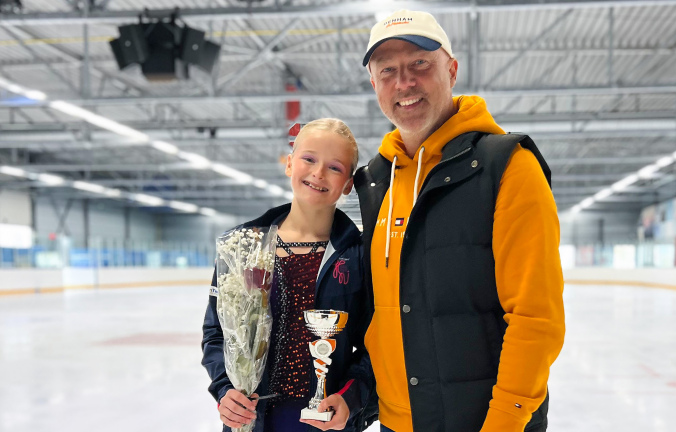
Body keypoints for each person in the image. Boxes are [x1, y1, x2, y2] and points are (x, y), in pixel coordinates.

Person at [353, 10, 566, 432]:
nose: (405, 83)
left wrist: (504, 423)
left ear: (451, 69)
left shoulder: (507, 166)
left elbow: (535, 317)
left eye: (420, 65)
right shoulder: (376, 181)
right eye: (388, 71)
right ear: (374, 84)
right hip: (397, 423)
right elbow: (381, 316)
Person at [202, 118, 376, 432]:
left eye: (335, 167)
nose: (318, 173)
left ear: (348, 184)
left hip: (323, 423)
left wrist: (352, 399)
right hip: (253, 422)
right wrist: (224, 390)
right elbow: (217, 334)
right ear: (289, 163)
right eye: (308, 159)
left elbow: (377, 345)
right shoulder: (243, 247)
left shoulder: (360, 255)